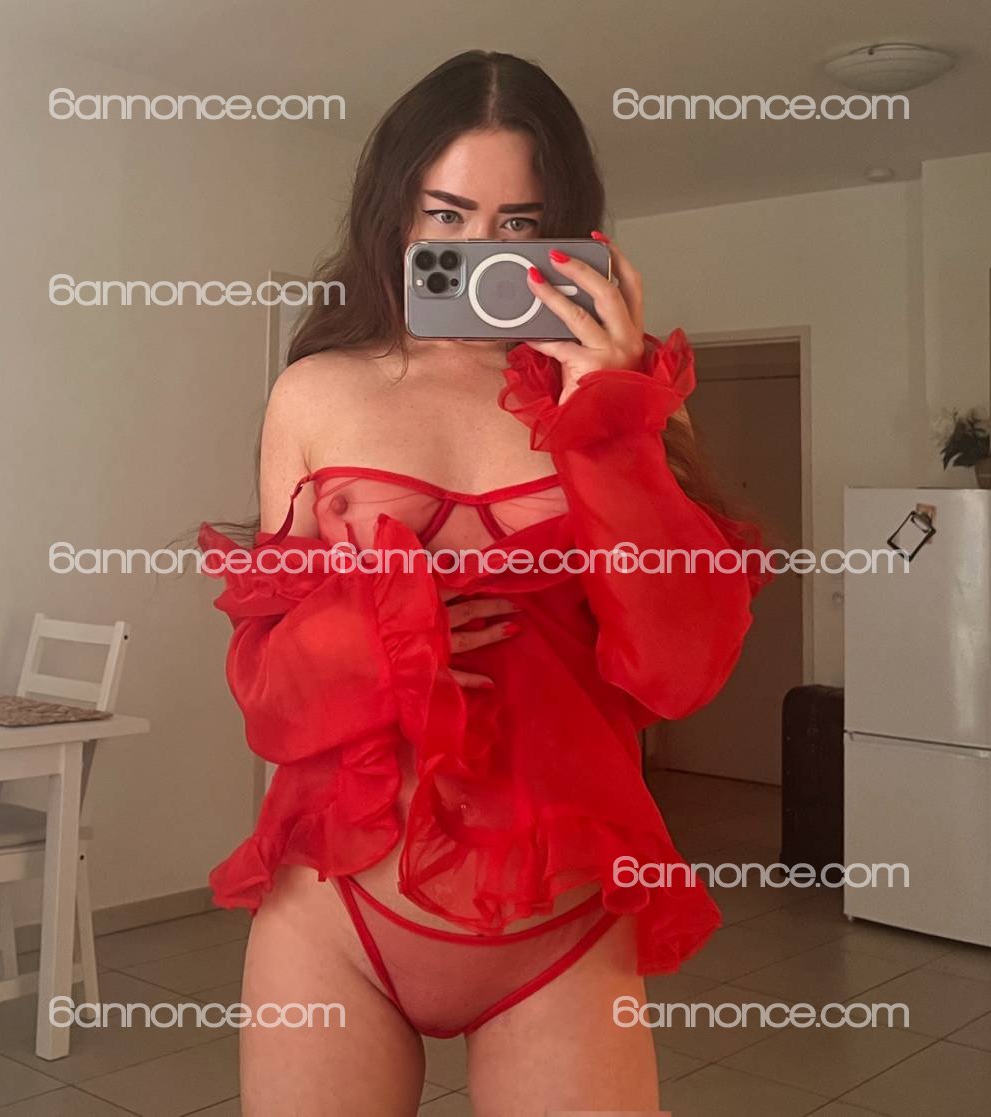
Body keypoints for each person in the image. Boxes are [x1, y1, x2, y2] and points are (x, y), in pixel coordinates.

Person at [199, 49, 769, 1117]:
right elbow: (267, 695)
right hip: (338, 907)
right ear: (395, 215)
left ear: (571, 233)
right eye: (447, 216)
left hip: (560, 920)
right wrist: (383, 638)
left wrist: (607, 416)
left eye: (520, 224)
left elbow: (680, 670)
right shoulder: (314, 392)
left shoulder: (632, 394)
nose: (480, 254)